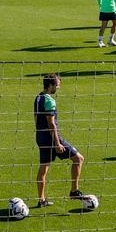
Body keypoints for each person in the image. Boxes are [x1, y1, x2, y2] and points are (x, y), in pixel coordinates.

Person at [34, 73, 88, 208]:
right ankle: (74, 191)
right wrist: (57, 143)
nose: (58, 87)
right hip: (52, 139)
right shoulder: (49, 100)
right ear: (50, 85)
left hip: (41, 137)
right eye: (57, 85)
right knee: (79, 159)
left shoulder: (38, 98)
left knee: (43, 169)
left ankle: (41, 200)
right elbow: (51, 124)